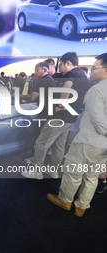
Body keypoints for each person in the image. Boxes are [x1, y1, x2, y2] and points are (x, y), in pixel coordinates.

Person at [47, 53, 107, 217]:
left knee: (73, 172)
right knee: (92, 176)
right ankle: (81, 206)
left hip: (89, 141)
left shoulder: (97, 89)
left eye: (94, 68)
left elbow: (97, 118)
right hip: (102, 145)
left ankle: (65, 200)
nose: (91, 72)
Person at [22, 52, 89, 180]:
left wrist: (61, 105)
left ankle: (37, 171)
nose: (60, 69)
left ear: (68, 62)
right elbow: (85, 96)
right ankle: (53, 171)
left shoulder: (70, 75)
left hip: (60, 116)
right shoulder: (83, 76)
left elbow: (66, 90)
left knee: (41, 142)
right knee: (59, 145)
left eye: (61, 65)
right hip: (72, 117)